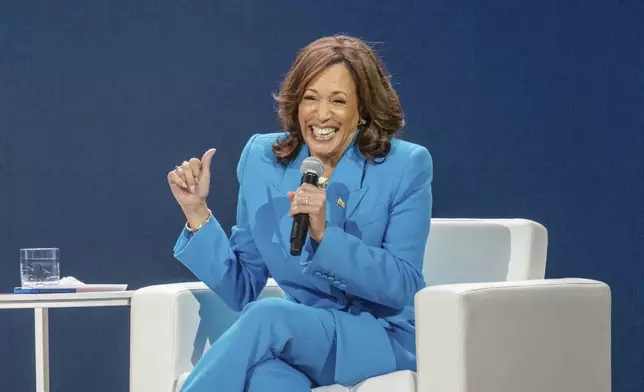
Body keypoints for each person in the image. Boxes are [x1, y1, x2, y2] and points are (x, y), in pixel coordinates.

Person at [167, 35, 433, 392]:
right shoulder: (262, 159)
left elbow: (403, 287)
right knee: (269, 380)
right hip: (301, 336)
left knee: (267, 316)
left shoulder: (404, 165)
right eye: (310, 98)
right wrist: (197, 211)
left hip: (379, 337)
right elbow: (241, 287)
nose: (321, 115)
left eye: (338, 101)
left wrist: (325, 237)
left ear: (363, 110)